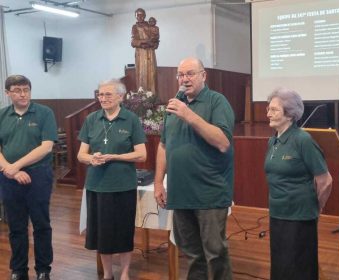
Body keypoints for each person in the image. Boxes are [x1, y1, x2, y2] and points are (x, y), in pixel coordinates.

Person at [153, 57, 235, 280]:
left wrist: (188, 115)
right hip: (180, 193)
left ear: (203, 75)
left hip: (209, 192)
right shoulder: (174, 104)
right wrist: (159, 182)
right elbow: (163, 145)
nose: (184, 79)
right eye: (181, 74)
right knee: (191, 254)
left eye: (190, 73)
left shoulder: (217, 102)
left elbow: (222, 142)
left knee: (215, 254)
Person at [77, 79, 147, 280]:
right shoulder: (91, 119)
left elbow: (141, 155)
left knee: (124, 230)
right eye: (100, 94)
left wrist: (114, 157)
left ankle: (124, 272)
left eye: (108, 94)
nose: (103, 98)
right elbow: (81, 155)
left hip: (123, 185)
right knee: (102, 233)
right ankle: (108, 274)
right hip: (97, 186)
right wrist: (92, 158)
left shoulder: (131, 119)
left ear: (120, 97)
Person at [264, 87, 332, 280]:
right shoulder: (273, 141)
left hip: (299, 216)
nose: (268, 113)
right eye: (268, 109)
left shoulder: (303, 140)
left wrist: (316, 207)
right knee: (280, 265)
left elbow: (325, 180)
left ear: (290, 114)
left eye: (274, 110)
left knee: (299, 267)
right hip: (277, 213)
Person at [0, 75, 57, 280]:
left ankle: (43, 269)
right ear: (8, 93)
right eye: (17, 90)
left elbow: (46, 146)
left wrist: (16, 166)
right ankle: (18, 270)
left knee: (41, 224)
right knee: (16, 226)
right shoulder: (2, 115)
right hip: (8, 177)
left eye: (26, 89)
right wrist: (10, 169)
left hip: (38, 175)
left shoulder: (44, 113)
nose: (23, 94)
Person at [131, 8, 158, 93]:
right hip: (140, 54)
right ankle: (142, 96)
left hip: (150, 52)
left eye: (142, 14)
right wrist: (144, 41)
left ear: (145, 16)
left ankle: (152, 95)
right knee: (141, 74)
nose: (140, 17)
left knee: (152, 74)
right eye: (138, 15)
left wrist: (153, 43)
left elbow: (155, 40)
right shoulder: (135, 27)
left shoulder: (150, 26)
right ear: (135, 16)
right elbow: (133, 42)